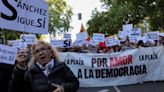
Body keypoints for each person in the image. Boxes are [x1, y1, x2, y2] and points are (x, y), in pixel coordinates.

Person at [9, 40, 79, 92]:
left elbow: (75, 83)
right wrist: (20, 67)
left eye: (43, 49)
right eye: (36, 51)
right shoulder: (30, 72)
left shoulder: (62, 67)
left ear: (50, 52)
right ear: (34, 56)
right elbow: (16, 89)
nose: (40, 53)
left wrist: (63, 88)